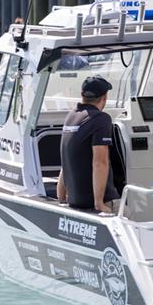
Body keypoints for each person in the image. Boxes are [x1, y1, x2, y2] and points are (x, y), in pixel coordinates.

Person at [57, 76, 120, 213]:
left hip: (75, 201)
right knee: (133, 213)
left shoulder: (70, 117)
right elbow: (100, 162)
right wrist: (99, 204)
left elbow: (66, 159)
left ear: (82, 95)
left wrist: (61, 197)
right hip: (101, 201)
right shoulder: (101, 119)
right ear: (104, 97)